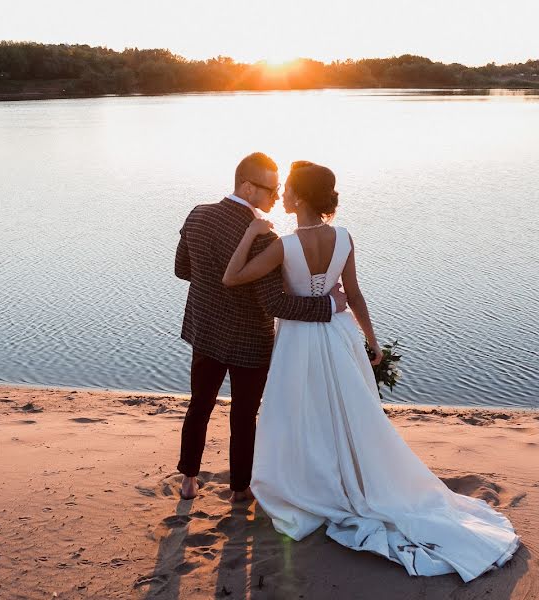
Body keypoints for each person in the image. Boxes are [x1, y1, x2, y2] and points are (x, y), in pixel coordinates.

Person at [222, 160, 519, 581]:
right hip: (340, 336)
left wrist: (252, 231)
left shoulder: (282, 246)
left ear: (301, 198)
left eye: (288, 189)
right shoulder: (343, 236)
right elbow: (355, 294)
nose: (283, 195)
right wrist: (373, 342)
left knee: (297, 414)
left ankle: (312, 484)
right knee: (351, 413)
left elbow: (231, 278)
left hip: (300, 341)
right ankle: (353, 478)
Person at [174, 152, 348, 502]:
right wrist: (329, 305)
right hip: (250, 342)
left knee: (199, 406)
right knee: (243, 416)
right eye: (271, 189)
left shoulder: (197, 214)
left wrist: (211, 288)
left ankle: (189, 480)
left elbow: (182, 269)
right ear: (247, 187)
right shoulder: (265, 239)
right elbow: (276, 305)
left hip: (204, 331)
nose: (277, 194)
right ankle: (240, 488)